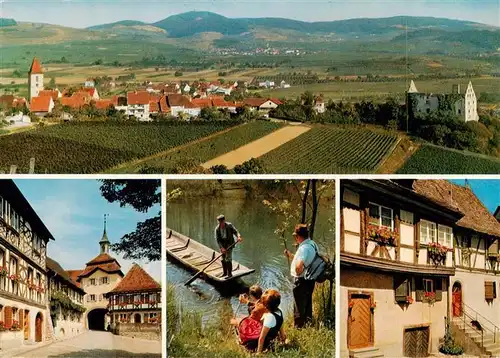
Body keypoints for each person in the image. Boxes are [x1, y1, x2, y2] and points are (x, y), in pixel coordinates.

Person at [284, 224, 318, 328]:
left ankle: (298, 327)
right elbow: (305, 261)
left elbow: (299, 266)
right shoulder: (313, 244)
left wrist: (298, 273)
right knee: (307, 302)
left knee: (298, 305)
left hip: (301, 280)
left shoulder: (304, 248)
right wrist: (291, 256)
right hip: (310, 279)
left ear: (298, 236)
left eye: (296, 236)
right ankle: (307, 323)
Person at [256, 289, 286, 354]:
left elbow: (261, 338)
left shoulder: (269, 317)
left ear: (265, 306)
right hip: (274, 338)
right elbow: (281, 328)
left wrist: (258, 353)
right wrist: (283, 339)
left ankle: (265, 350)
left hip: (268, 343)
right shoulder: (279, 311)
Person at [214, 214, 242, 278]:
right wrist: (221, 248)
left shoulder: (229, 225)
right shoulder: (217, 229)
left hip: (229, 244)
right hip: (222, 245)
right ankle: (224, 273)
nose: (220, 224)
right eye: (219, 223)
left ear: (224, 220)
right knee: (222, 259)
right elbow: (218, 240)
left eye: (221, 222)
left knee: (228, 259)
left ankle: (229, 274)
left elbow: (236, 232)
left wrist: (239, 236)